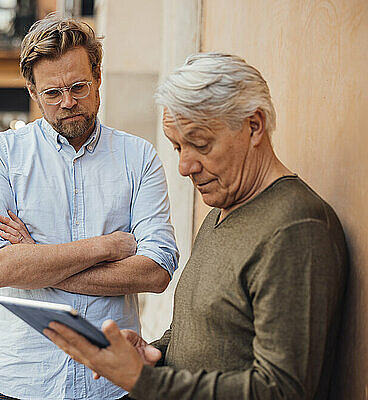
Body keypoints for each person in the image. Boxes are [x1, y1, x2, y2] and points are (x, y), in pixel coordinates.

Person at [44, 53, 349, 400]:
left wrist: (145, 383)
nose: (185, 166)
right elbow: (203, 333)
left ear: (254, 125)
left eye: (201, 144)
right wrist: (148, 356)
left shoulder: (296, 229)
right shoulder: (222, 209)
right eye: (177, 147)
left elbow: (282, 390)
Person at [0, 14, 179, 400]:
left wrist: (35, 260)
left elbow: (157, 271)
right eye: (52, 93)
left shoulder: (139, 157)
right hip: (22, 378)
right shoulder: (1, 157)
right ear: (33, 93)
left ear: (98, 76)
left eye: (79, 86)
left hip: (112, 382)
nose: (68, 103)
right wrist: (106, 247)